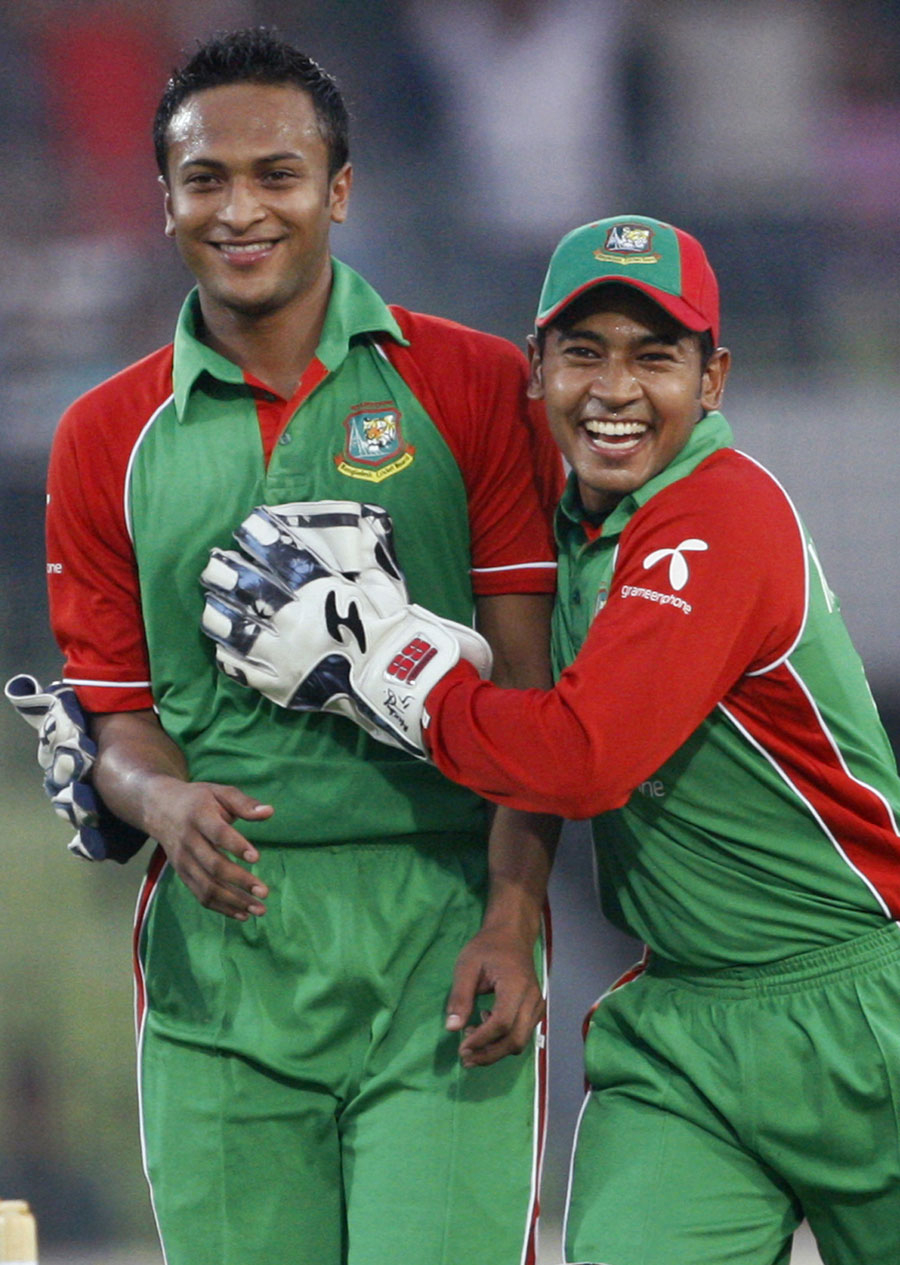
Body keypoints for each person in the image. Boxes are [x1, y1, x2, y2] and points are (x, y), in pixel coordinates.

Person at [215, 214, 900, 1265]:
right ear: (536, 367)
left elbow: (582, 755)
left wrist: (384, 668)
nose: (614, 388)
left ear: (713, 379)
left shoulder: (721, 513)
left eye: (654, 356)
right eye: (583, 352)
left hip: (867, 1009)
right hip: (684, 1032)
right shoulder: (555, 522)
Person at [33, 27, 564, 1265]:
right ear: (164, 198)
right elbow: (114, 718)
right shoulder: (102, 436)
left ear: (338, 189)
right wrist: (161, 798)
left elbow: (530, 689)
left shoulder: (476, 387)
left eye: (276, 174)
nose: (239, 207)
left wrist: (513, 911)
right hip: (227, 957)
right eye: (204, 177)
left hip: (442, 929)